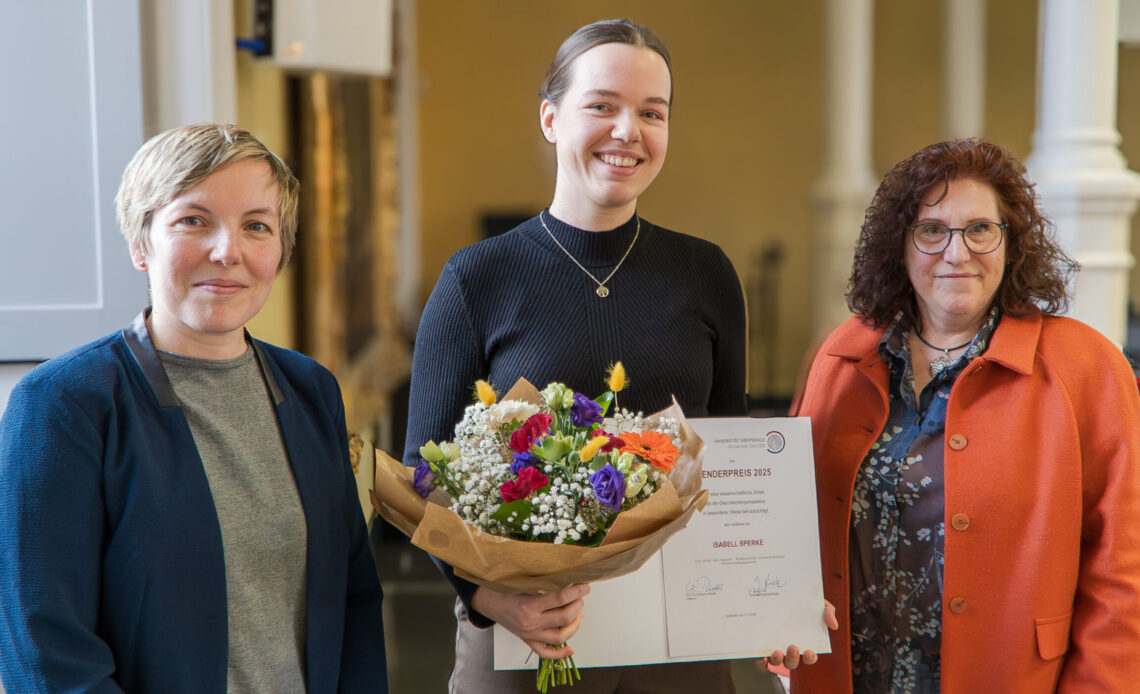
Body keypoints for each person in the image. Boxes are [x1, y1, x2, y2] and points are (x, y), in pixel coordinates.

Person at [403, 17, 830, 694]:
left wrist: (770, 601)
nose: (628, 130)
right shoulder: (475, 279)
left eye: (651, 113)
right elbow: (420, 477)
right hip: (529, 642)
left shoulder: (706, 274)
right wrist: (491, 600)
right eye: (601, 105)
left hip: (682, 652)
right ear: (550, 118)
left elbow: (731, 457)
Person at [0, 124, 388, 693]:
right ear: (140, 243)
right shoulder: (63, 405)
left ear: (280, 251)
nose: (228, 251)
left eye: (257, 226)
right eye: (193, 220)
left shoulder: (311, 390)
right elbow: (46, 654)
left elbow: (352, 596)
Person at [790, 138, 1140, 693]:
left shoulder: (1086, 369)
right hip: (854, 675)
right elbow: (791, 522)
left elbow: (1123, 570)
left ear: (1011, 243)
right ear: (898, 247)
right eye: (931, 230)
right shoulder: (842, 356)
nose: (957, 252)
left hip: (1013, 676)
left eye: (980, 229)